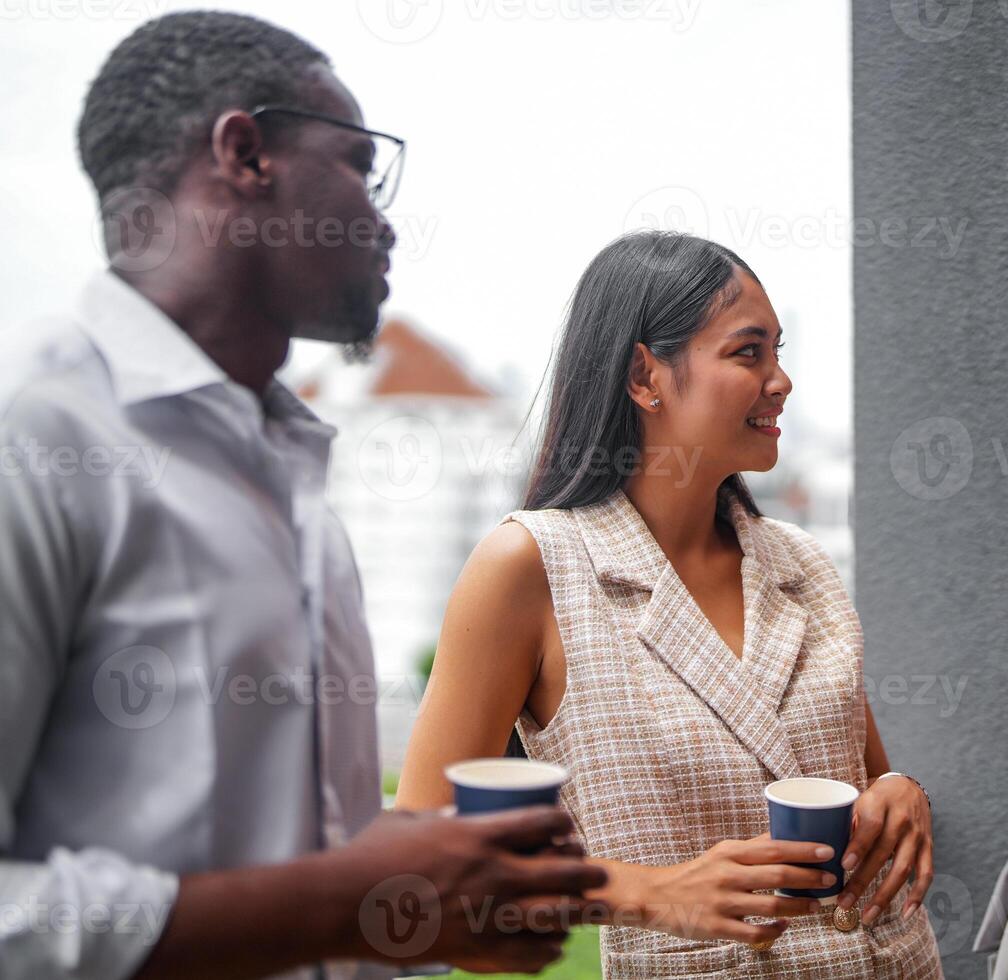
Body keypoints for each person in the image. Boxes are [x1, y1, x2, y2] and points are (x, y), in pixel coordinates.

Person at [0, 12, 605, 978]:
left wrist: (448, 902)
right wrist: (350, 902)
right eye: (360, 167)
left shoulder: (298, 492)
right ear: (245, 153)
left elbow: (327, 906)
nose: (384, 218)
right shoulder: (33, 437)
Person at [395, 231, 945, 978]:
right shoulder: (533, 566)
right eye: (749, 353)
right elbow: (423, 858)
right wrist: (649, 892)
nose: (781, 381)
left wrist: (901, 793)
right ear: (643, 374)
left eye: (779, 353)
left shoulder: (802, 564)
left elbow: (861, 779)